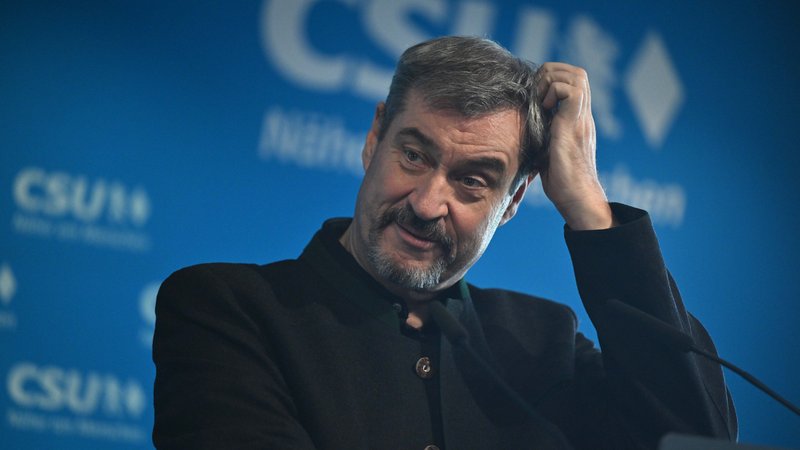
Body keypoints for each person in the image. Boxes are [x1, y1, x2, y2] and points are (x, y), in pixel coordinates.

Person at [152, 36, 737, 449]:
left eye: (472, 181)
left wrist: (589, 207)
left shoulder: (545, 343)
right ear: (373, 137)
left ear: (511, 204)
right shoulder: (225, 308)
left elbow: (694, 438)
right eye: (413, 155)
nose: (428, 203)